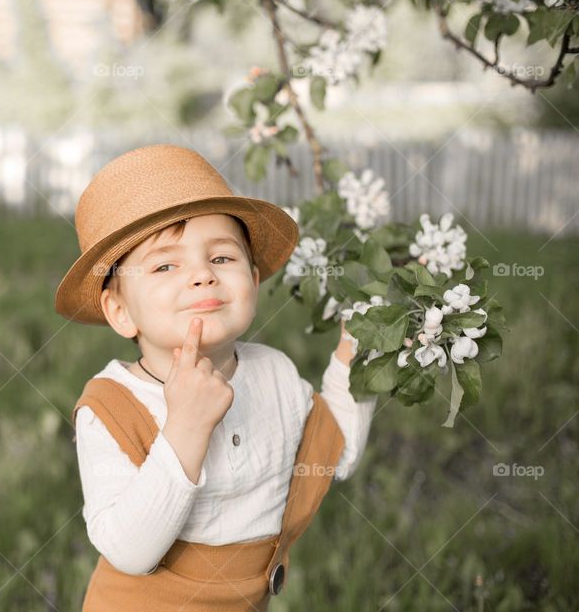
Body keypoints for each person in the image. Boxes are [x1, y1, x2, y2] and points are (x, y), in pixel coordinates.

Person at [54, 144, 377, 611]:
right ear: (121, 312)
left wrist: (358, 348)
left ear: (253, 275)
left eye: (223, 258)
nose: (203, 275)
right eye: (166, 265)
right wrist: (186, 426)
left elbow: (336, 452)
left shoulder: (275, 374)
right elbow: (130, 551)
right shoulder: (110, 407)